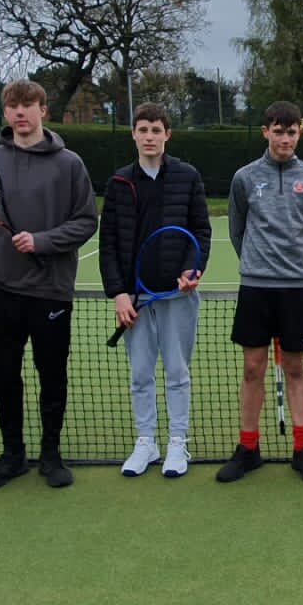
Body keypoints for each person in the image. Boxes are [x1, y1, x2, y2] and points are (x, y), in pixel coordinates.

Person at [0, 79, 98, 490]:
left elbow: (86, 221)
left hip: (51, 290)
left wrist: (42, 241)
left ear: (43, 110)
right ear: (6, 113)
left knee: (52, 376)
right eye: (12, 106)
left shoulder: (70, 163)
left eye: (27, 105)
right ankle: (12, 455)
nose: (20, 112)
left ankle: (50, 455)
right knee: (5, 376)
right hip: (0, 291)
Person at [217, 101, 303, 485]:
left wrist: (299, 265)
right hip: (255, 287)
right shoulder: (244, 178)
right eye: (278, 131)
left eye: (292, 131)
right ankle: (248, 448)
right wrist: (256, 262)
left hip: (295, 289)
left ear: (300, 133)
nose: (285, 137)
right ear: (266, 131)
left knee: (295, 368)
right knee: (253, 369)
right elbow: (237, 230)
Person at [100, 101, 211, 479]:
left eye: (156, 130)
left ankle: (178, 442)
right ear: (134, 134)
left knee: (177, 372)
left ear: (167, 134)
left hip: (178, 296)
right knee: (141, 374)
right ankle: (146, 441)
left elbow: (200, 231)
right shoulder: (118, 182)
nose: (149, 136)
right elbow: (109, 243)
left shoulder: (187, 176)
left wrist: (192, 269)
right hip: (134, 299)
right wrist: (117, 293)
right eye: (143, 129)